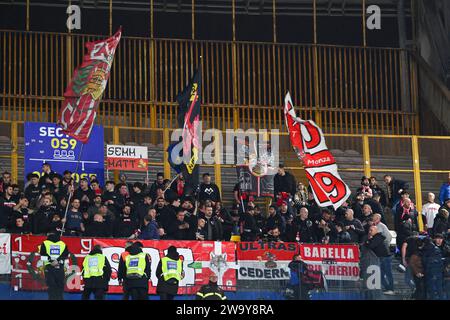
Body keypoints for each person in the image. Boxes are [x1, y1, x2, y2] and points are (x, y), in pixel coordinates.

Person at [39, 233, 69, 300]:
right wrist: (57, 261)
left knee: (51, 285)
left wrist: (51, 260)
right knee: (60, 285)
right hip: (59, 267)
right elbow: (65, 255)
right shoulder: (63, 244)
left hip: (49, 267)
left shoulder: (45, 243)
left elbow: (42, 254)